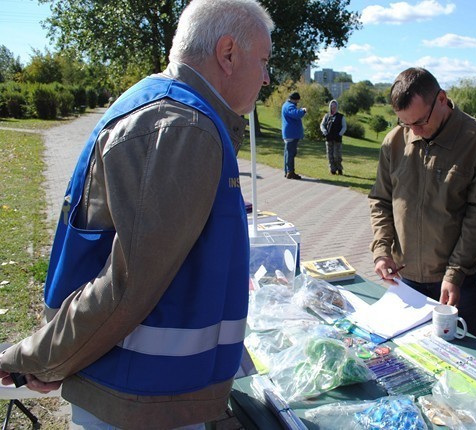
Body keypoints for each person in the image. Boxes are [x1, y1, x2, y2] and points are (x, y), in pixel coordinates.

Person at [0, 0, 273, 428]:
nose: (266, 77)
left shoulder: (170, 109)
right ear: (227, 53)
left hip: (140, 390)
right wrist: (40, 358)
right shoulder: (183, 126)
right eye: (263, 61)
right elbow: (127, 286)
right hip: (142, 400)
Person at [369, 67, 476, 338]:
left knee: (462, 363)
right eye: (406, 124)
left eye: (420, 121)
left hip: (456, 283)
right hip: (405, 280)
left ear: (442, 99)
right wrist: (382, 250)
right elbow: (381, 200)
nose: (414, 131)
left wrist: (455, 272)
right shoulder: (395, 141)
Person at [281, 92, 307, 179]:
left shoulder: (286, 105)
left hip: (289, 133)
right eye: (297, 100)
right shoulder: (289, 106)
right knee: (291, 154)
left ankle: (287, 171)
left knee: (287, 153)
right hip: (291, 133)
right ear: (294, 99)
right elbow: (296, 114)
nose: (297, 103)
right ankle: (290, 172)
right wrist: (303, 111)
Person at [320, 99, 347, 175]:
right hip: (329, 138)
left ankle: (339, 169)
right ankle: (332, 169)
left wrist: (340, 134)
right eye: (332, 106)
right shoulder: (327, 116)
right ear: (330, 107)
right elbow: (322, 125)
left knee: (337, 155)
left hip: (337, 139)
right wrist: (325, 132)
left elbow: (344, 127)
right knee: (330, 155)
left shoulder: (341, 117)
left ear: (337, 107)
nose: (333, 108)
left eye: (335, 106)